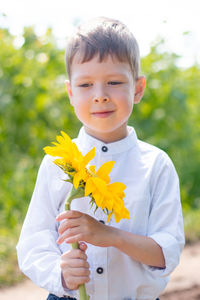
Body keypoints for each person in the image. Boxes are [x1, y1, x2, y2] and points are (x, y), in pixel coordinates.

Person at [16, 17, 185, 300]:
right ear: (70, 92)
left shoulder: (155, 165)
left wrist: (111, 236)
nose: (100, 96)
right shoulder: (58, 163)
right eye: (85, 85)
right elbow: (34, 243)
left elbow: (167, 251)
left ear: (138, 88)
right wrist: (61, 272)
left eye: (114, 82)